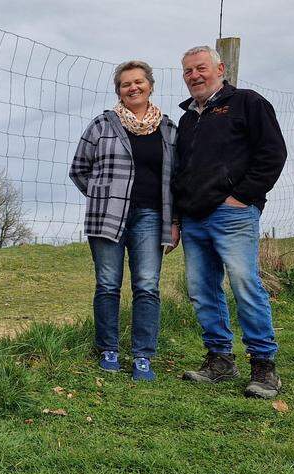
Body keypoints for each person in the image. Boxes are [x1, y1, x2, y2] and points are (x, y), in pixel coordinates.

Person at [173, 46, 287, 399]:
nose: (194, 75)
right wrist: (178, 215)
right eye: (188, 71)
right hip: (195, 217)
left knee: (244, 284)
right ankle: (220, 358)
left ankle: (264, 366)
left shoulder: (248, 103)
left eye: (200, 68)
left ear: (220, 68)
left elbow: (273, 153)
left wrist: (242, 197)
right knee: (202, 290)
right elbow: (179, 172)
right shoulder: (187, 119)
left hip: (232, 213)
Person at [70, 60, 179, 381]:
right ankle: (109, 349)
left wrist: (176, 222)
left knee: (147, 286)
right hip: (107, 217)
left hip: (151, 215)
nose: (133, 88)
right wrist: (103, 194)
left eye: (139, 82)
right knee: (108, 284)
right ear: (118, 90)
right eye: (125, 84)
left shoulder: (169, 129)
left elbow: (177, 179)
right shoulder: (101, 125)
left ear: (150, 85)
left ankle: (143, 356)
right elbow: (79, 169)